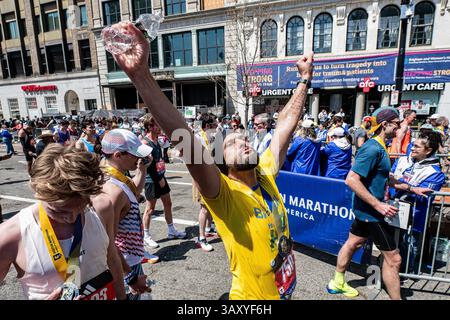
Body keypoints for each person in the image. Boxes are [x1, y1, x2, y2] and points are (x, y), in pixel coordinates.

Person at [107, 21, 313, 299]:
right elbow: (186, 140)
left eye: (244, 139)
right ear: (221, 163)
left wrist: (304, 80)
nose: (242, 141)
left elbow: (286, 126)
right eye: (231, 143)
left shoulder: (264, 172)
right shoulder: (223, 194)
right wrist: (141, 75)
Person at [0, 144, 126, 300]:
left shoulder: (101, 207)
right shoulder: (10, 235)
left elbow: (111, 257)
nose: (71, 218)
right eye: (59, 211)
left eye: (81, 207)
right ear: (37, 192)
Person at [328, 108, 403, 300]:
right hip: (373, 213)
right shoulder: (372, 148)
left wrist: (411, 188)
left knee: (354, 242)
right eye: (397, 123)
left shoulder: (380, 146)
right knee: (394, 259)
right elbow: (351, 179)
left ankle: (337, 282)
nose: (400, 127)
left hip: (368, 210)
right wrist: (379, 206)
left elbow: (383, 176)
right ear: (385, 125)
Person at [100, 129, 157, 300]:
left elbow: (132, 193)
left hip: (127, 260)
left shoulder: (112, 175)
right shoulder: (113, 190)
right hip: (124, 263)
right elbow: (108, 242)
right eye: (134, 155)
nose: (139, 158)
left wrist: (142, 170)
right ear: (118, 155)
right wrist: (130, 276)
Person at [390, 131, 445, 273]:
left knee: (408, 245)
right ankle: (390, 271)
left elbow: (422, 196)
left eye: (417, 147)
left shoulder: (435, 173)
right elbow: (390, 179)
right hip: (393, 208)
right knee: (391, 243)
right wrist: (409, 186)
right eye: (413, 145)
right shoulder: (403, 159)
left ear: (428, 151)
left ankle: (404, 273)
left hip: (414, 216)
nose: (412, 148)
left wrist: (400, 183)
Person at [141, 116, 186, 250]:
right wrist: (158, 179)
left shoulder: (156, 140)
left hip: (161, 176)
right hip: (151, 180)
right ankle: (146, 236)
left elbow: (158, 160)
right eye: (157, 125)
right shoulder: (145, 143)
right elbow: (148, 165)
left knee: (168, 203)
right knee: (150, 209)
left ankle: (171, 230)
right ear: (150, 127)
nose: (160, 128)